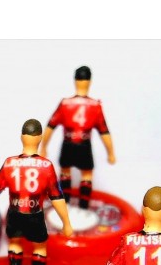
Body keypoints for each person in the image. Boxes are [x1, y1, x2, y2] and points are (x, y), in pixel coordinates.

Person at [0, 119, 73, 265]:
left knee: (14, 243)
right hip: (35, 214)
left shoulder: (9, 163)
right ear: (39, 138)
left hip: (14, 213)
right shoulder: (46, 166)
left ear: (22, 137)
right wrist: (66, 223)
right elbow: (57, 197)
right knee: (39, 246)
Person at [39, 65, 115, 209]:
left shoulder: (65, 103)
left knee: (65, 172)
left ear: (75, 81)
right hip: (84, 144)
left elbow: (50, 126)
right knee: (87, 175)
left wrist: (44, 146)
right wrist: (111, 153)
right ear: (89, 82)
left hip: (68, 143)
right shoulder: (95, 105)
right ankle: (83, 207)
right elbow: (104, 132)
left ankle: (65, 203)